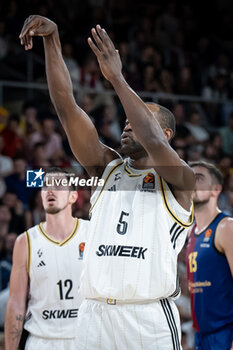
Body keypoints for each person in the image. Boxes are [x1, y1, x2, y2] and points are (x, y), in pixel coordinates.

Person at [19, 16, 195, 349]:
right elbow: (66, 108)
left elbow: (154, 142)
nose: (128, 124)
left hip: (147, 318)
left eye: (139, 119)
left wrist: (116, 78)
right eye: (127, 121)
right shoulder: (105, 168)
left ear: (167, 133)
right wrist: (52, 41)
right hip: (93, 316)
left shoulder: (180, 180)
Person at [5, 168, 89, 350]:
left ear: (73, 197)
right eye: (46, 186)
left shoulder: (91, 233)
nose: (50, 190)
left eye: (58, 185)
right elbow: (16, 304)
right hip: (41, 341)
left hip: (85, 339)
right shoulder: (25, 241)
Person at [186, 161, 233, 350]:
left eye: (198, 178)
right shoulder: (191, 232)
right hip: (201, 335)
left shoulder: (226, 227)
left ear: (215, 190)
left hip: (225, 334)